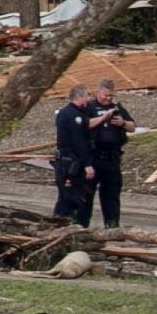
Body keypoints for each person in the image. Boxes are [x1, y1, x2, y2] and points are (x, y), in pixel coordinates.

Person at [67, 83, 136, 229]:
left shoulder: (117, 108)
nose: (108, 99)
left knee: (111, 196)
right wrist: (103, 118)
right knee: (85, 196)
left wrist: (122, 123)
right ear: (97, 92)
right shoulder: (88, 107)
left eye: (111, 96)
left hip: (112, 159)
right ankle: (81, 227)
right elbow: (83, 126)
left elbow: (133, 126)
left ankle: (112, 227)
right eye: (105, 95)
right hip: (93, 157)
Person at [49, 88, 96, 225]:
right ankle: (61, 226)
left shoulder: (62, 113)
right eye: (86, 97)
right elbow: (79, 142)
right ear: (79, 97)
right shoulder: (76, 116)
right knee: (71, 198)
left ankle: (58, 224)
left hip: (62, 161)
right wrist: (87, 164)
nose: (87, 100)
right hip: (71, 163)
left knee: (64, 196)